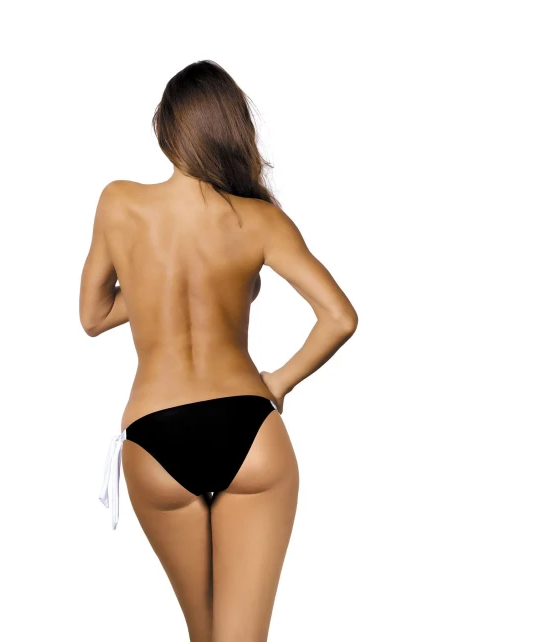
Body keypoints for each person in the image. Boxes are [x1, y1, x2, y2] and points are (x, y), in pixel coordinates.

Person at [80, 59, 358, 642]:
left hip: (154, 437)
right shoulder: (258, 220)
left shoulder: (119, 203)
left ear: (168, 129)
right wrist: (277, 382)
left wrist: (151, 284)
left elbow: (94, 316)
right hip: (249, 430)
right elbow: (339, 318)